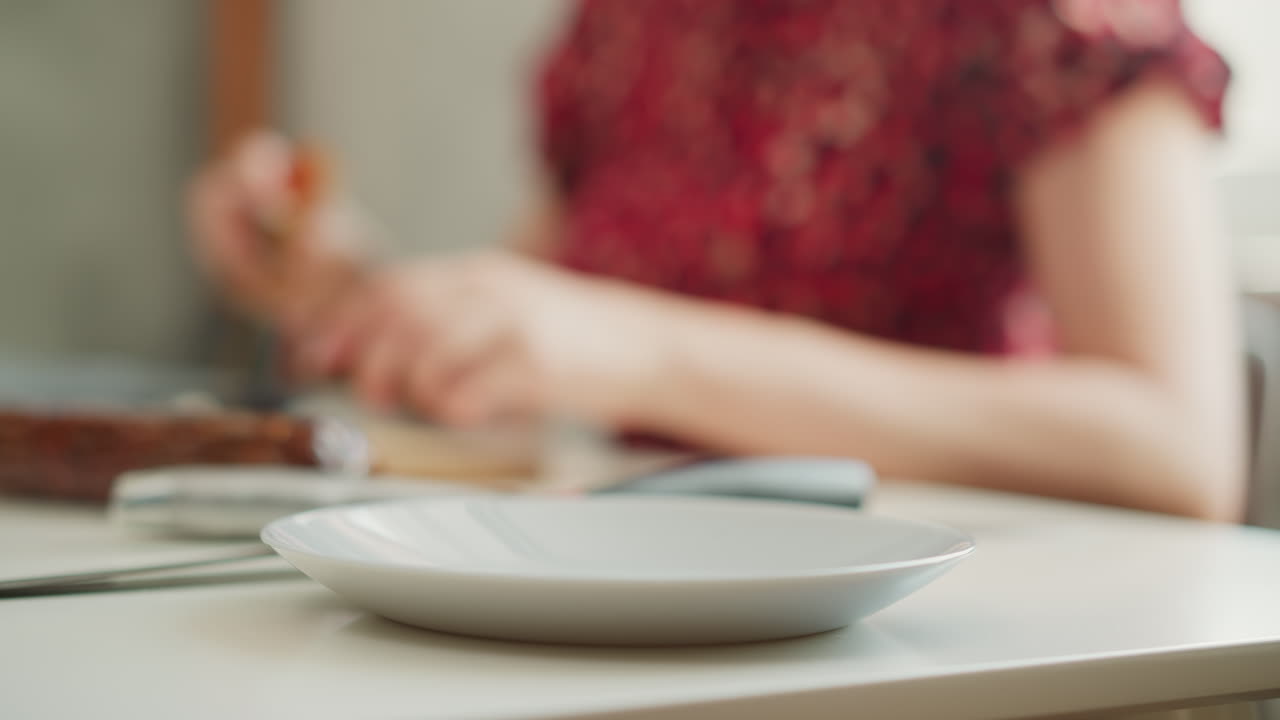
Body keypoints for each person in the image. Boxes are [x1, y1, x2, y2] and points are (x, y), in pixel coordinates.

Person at [191, 0, 1244, 520]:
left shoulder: (1047, 20)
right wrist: (345, 284)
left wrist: (646, 353)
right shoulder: (633, 24)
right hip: (640, 617)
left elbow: (1175, 448)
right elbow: (536, 336)